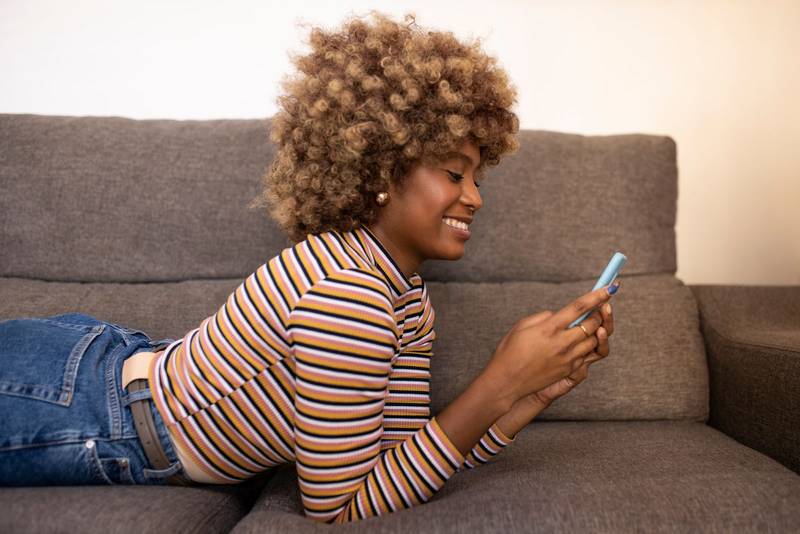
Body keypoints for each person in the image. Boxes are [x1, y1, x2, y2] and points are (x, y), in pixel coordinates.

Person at [0, 10, 619, 523]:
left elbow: (397, 461)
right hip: (84, 412)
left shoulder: (403, 295)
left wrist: (525, 392)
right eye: (454, 173)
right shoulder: (349, 295)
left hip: (97, 364)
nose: (475, 197)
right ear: (381, 170)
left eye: (478, 178)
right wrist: (497, 382)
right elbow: (339, 506)